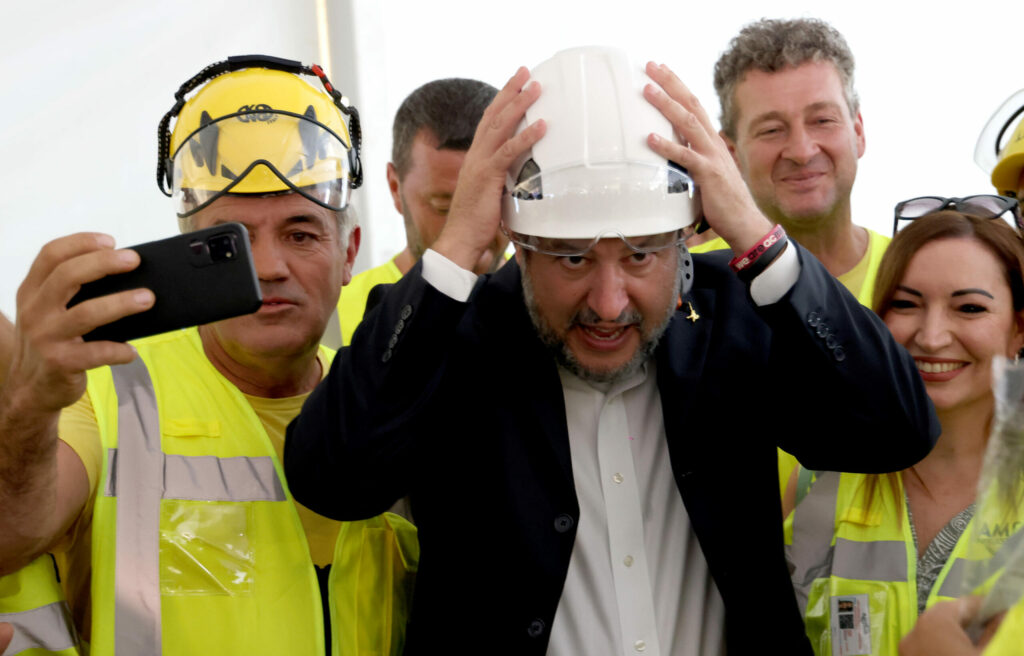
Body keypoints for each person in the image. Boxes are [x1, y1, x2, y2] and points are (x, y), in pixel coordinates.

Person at [285, 47, 938, 654]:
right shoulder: (458, 335)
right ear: (518, 241)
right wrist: (454, 250)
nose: (608, 301)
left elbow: (895, 431)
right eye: (572, 259)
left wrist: (757, 236)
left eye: (640, 255)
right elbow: (331, 478)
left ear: (686, 236)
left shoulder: (730, 319)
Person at [0, 55, 386, 655]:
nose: (269, 267)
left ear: (349, 253)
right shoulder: (107, 389)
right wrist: (30, 404)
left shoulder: (388, 404)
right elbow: (10, 534)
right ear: (187, 250)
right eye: (233, 241)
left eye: (300, 233)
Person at [784, 201, 1024, 656]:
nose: (932, 336)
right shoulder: (820, 481)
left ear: (1019, 328)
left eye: (969, 308)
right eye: (906, 304)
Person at [705, 17, 893, 497]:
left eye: (822, 120)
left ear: (858, 131)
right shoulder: (684, 286)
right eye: (771, 130)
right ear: (730, 153)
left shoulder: (922, 282)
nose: (802, 150)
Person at [336, 77, 499, 346]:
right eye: (445, 208)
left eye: (494, 201)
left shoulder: (549, 301)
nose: (474, 235)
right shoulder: (337, 317)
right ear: (395, 187)